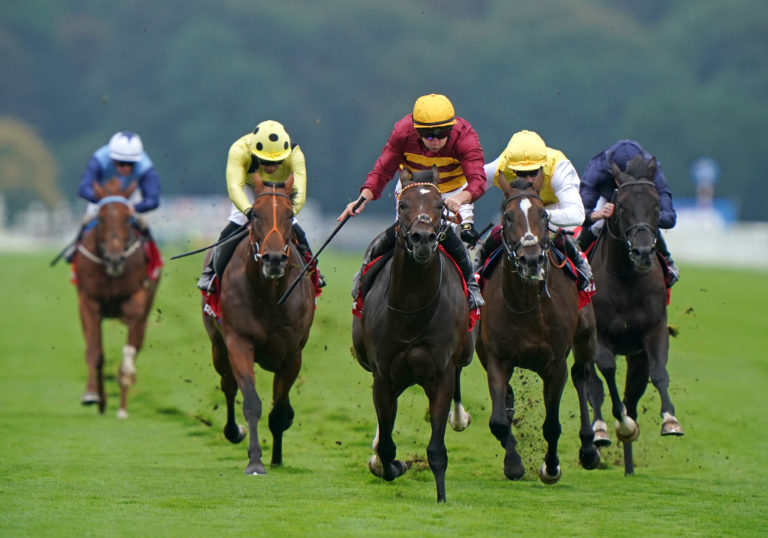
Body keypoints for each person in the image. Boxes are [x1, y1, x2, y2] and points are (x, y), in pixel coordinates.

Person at [338, 93, 487, 310]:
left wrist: (460, 199)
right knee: (403, 230)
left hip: (451, 190)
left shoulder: (465, 137)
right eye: (427, 135)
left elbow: (478, 181)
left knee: (445, 234)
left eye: (442, 133)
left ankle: (472, 288)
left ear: (452, 128)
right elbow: (382, 171)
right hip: (413, 187)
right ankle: (363, 278)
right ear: (416, 130)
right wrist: (363, 198)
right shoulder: (402, 132)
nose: (435, 141)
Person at [197, 120, 323, 291]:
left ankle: (313, 271)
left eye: (277, 162)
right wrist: (248, 211)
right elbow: (235, 187)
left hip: (279, 190)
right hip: (251, 190)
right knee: (236, 222)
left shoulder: (295, 154)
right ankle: (211, 272)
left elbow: (299, 192)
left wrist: (289, 213)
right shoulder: (239, 150)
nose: (270, 167)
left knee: (296, 229)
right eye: (264, 161)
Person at [475, 130, 595, 294]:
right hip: (518, 210)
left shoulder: (559, 167)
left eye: (533, 173)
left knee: (556, 234)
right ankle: (474, 274)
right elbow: (470, 186)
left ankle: (582, 268)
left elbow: (578, 215)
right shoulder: (500, 166)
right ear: (511, 168)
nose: (528, 180)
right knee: (497, 233)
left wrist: (543, 215)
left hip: (551, 209)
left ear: (542, 165)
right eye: (521, 174)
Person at [579, 139, 679, 287]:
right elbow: (579, 212)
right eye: (622, 179)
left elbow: (669, 216)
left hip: (638, 199)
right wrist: (598, 214)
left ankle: (667, 261)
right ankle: (579, 263)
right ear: (613, 174)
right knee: (597, 224)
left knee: (643, 217)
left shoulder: (651, 166)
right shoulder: (597, 167)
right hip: (606, 199)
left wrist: (649, 217)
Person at [67, 131, 160, 261]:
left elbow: (153, 199)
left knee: (143, 224)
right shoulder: (99, 158)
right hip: (101, 197)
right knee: (87, 220)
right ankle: (75, 251)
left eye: (131, 164)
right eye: (121, 163)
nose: (126, 168)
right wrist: (103, 200)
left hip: (129, 199)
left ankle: (154, 259)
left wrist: (136, 207)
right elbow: (83, 188)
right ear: (112, 158)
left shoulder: (145, 166)